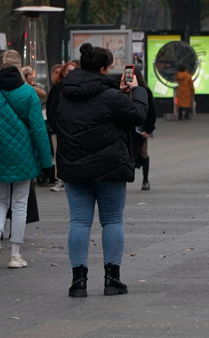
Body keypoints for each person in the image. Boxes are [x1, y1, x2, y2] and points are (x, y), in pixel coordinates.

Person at [57, 43, 148, 298]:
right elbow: (138, 115)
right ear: (102, 68)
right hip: (110, 167)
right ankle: (112, 279)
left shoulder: (65, 93)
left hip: (74, 166)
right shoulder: (113, 97)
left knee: (78, 221)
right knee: (112, 220)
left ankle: (78, 281)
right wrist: (137, 90)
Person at [0, 50, 52, 269]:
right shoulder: (28, 93)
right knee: (20, 204)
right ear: (19, 66)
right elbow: (39, 130)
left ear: (0, 66)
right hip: (24, 157)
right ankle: (15, 254)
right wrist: (47, 163)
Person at [47, 62, 75, 192]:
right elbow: (51, 108)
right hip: (58, 127)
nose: (70, 73)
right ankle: (61, 180)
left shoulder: (77, 86)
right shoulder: (58, 88)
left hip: (72, 128)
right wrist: (53, 125)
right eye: (68, 71)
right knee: (59, 153)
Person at [131, 69, 156, 191]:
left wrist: (149, 129)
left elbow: (151, 112)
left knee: (143, 152)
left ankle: (145, 179)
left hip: (140, 128)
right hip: (128, 127)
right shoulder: (124, 91)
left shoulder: (144, 91)